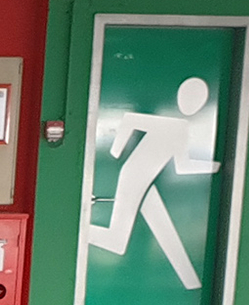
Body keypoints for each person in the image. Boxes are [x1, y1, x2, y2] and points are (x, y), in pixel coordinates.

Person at [88, 76, 220, 291]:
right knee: (117, 241)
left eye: (198, 99)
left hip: (147, 182)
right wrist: (115, 150)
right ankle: (81, 228)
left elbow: (182, 166)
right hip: (135, 177)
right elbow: (130, 119)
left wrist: (215, 167)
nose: (193, 104)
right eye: (191, 97)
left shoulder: (181, 128)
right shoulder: (169, 123)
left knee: (166, 232)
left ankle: (192, 284)